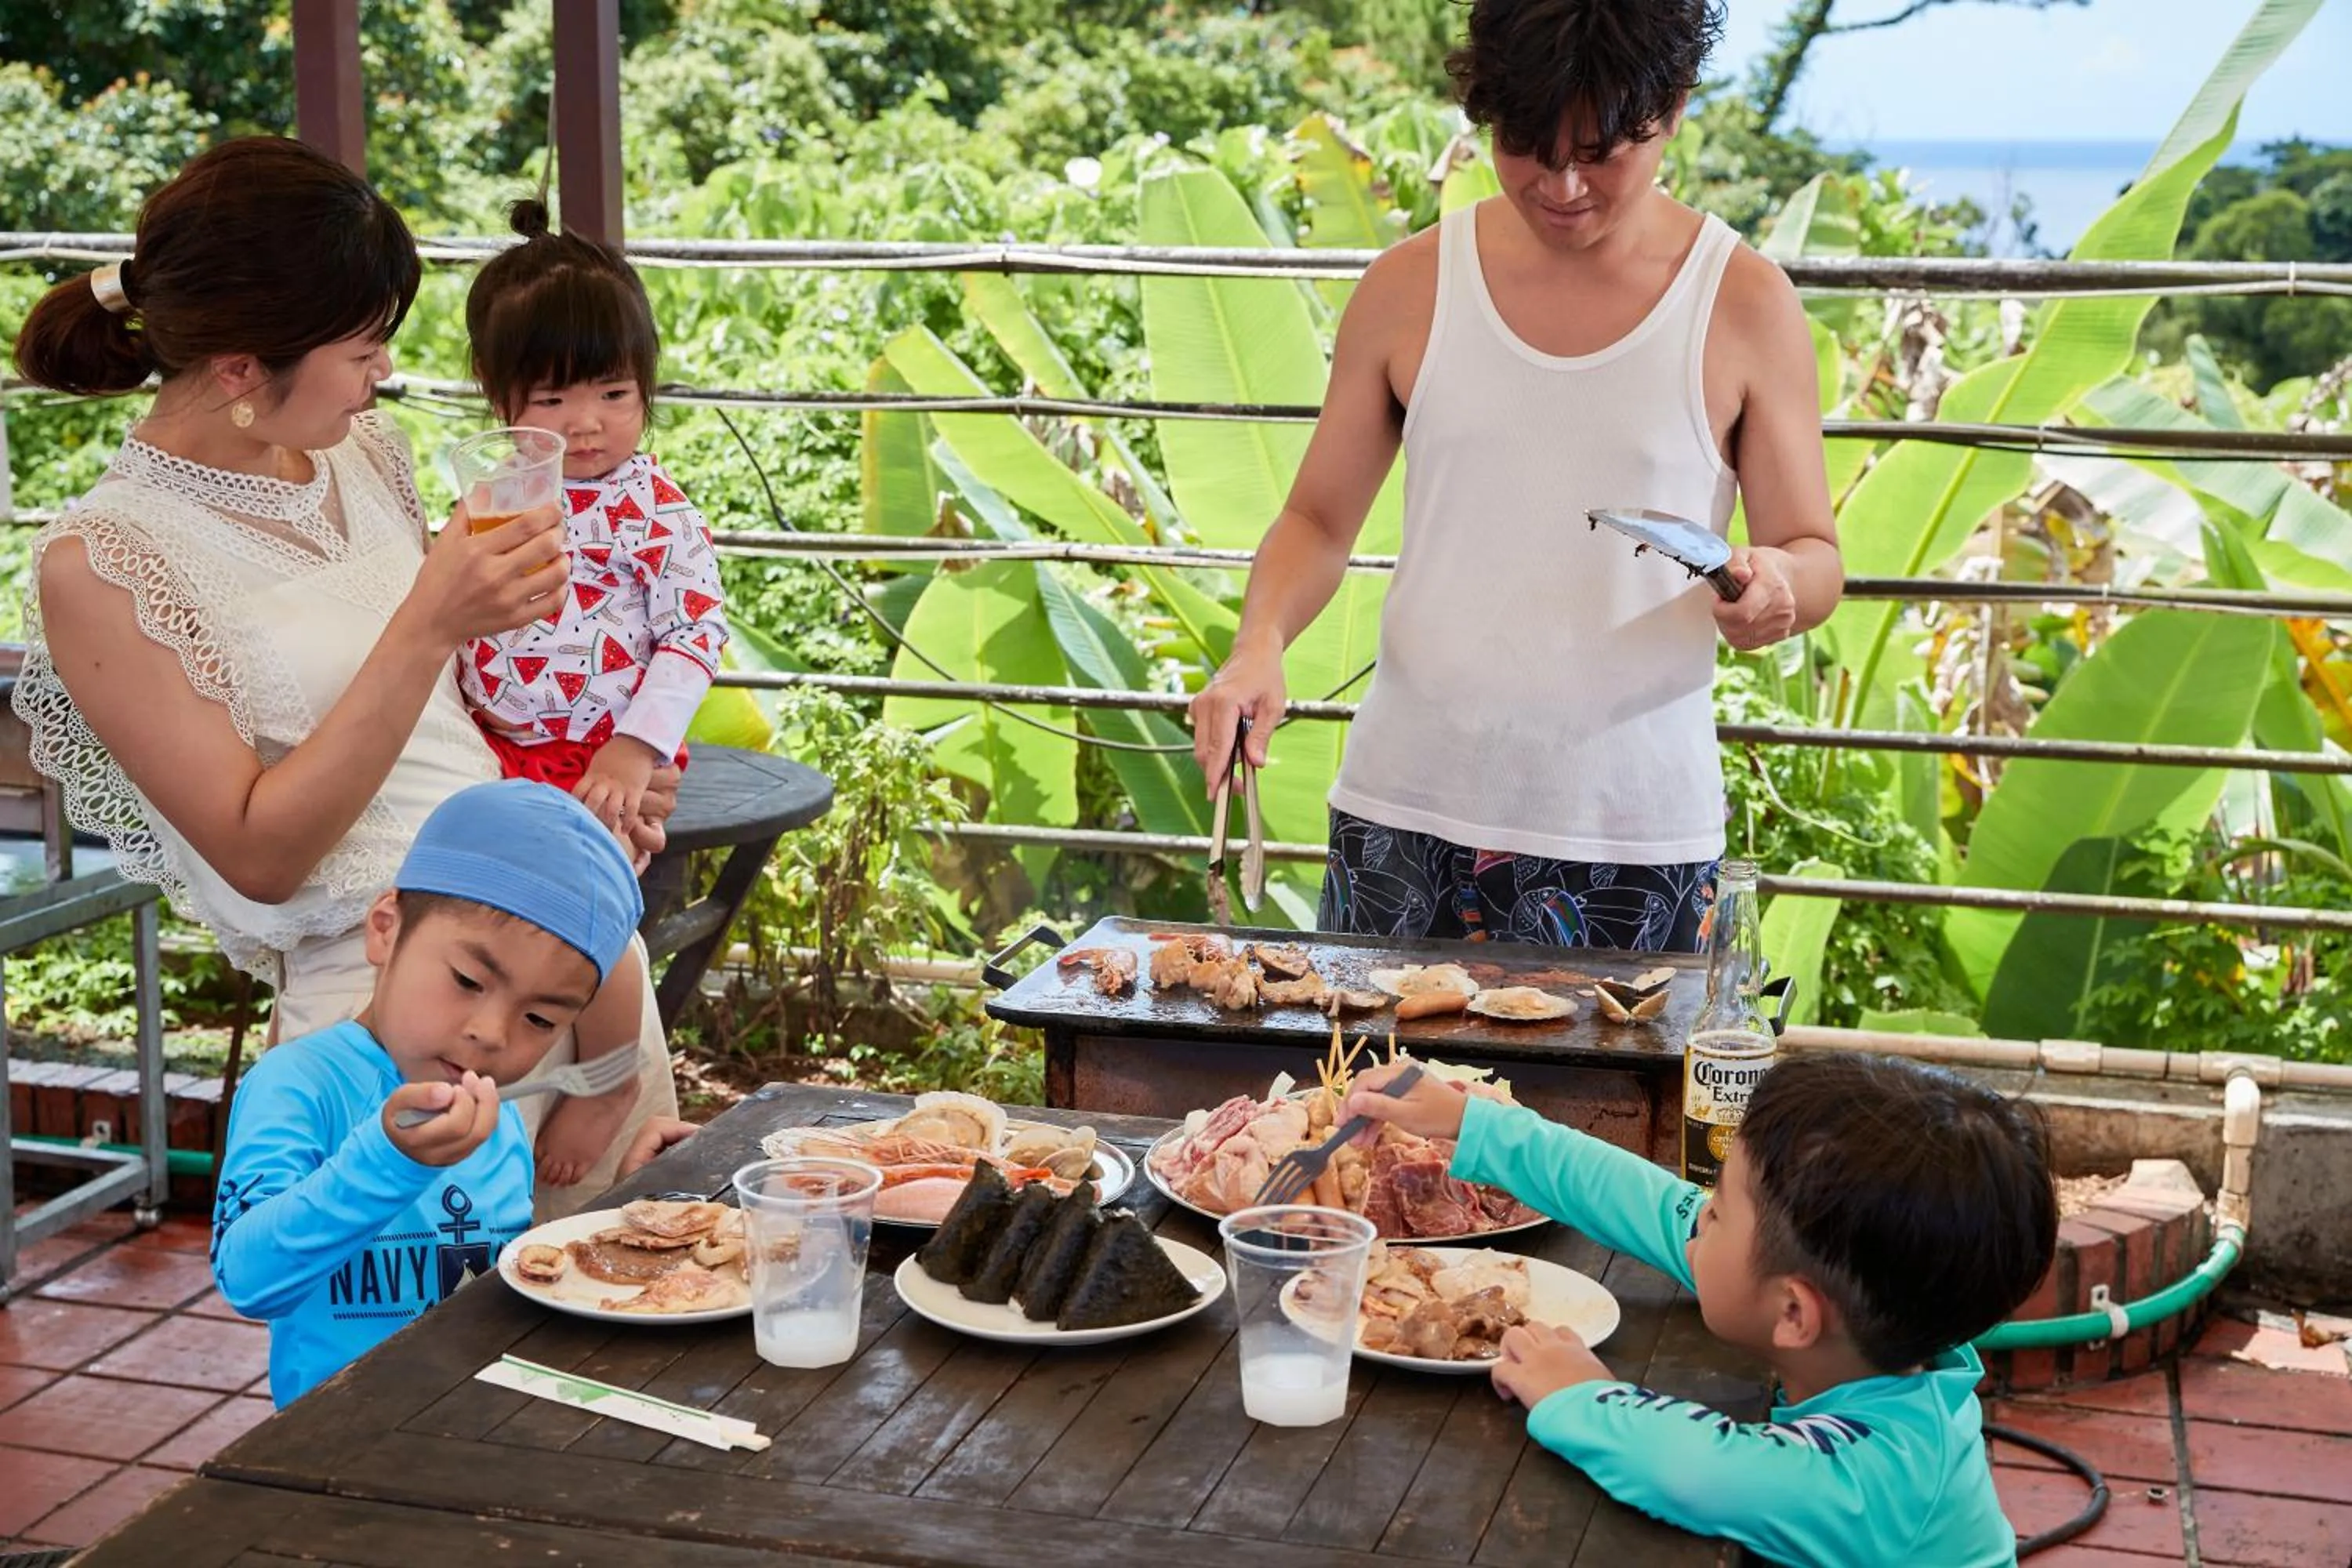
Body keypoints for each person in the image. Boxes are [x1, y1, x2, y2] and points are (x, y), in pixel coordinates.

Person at [8, 136, 680, 1211]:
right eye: (364, 352)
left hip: (560, 962)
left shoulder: (365, 459)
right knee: (409, 1368)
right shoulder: (102, 562)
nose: (384, 380)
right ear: (240, 368)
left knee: (628, 1317)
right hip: (381, 1014)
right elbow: (260, 853)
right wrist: (427, 623)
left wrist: (594, 786)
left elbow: (451, 724)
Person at [1188, 0, 1842, 952]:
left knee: (1599, 1112)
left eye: (1600, 151)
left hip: (1635, 838)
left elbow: (1815, 552)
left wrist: (1779, 586)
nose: (1563, 183)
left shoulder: (1743, 301)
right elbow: (1319, 521)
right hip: (1400, 819)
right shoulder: (1408, 287)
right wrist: (1258, 643)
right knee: (1363, 1103)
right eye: (1526, 145)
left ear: (1676, 105)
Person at [1342, 1051, 2057, 1566]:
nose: (1695, 1216)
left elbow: (1703, 1468)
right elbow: (1645, 1200)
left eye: (1717, 1208)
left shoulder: (1877, 1482)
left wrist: (1582, 1395)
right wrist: (1474, 1123)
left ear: (1794, 1315)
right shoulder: (1891, 1346)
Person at [455, 197, 730, 1188]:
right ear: (499, 399)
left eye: (613, 394)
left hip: (608, 757)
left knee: (593, 920)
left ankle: (609, 1078)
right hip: (497, 752)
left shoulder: (651, 506)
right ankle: (500, 1096)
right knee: (500, 929)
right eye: (553, 400)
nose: (585, 425)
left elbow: (698, 632)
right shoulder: (491, 496)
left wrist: (636, 747)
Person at [211, 779, 643, 1406]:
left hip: (479, 1430)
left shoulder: (491, 1116)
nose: (491, 1035)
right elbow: (249, 1280)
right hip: (336, 1442)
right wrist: (391, 1160)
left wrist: (633, 1213)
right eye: (468, 980)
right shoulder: (300, 1084)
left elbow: (506, 1287)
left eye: (541, 1020)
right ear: (386, 929)